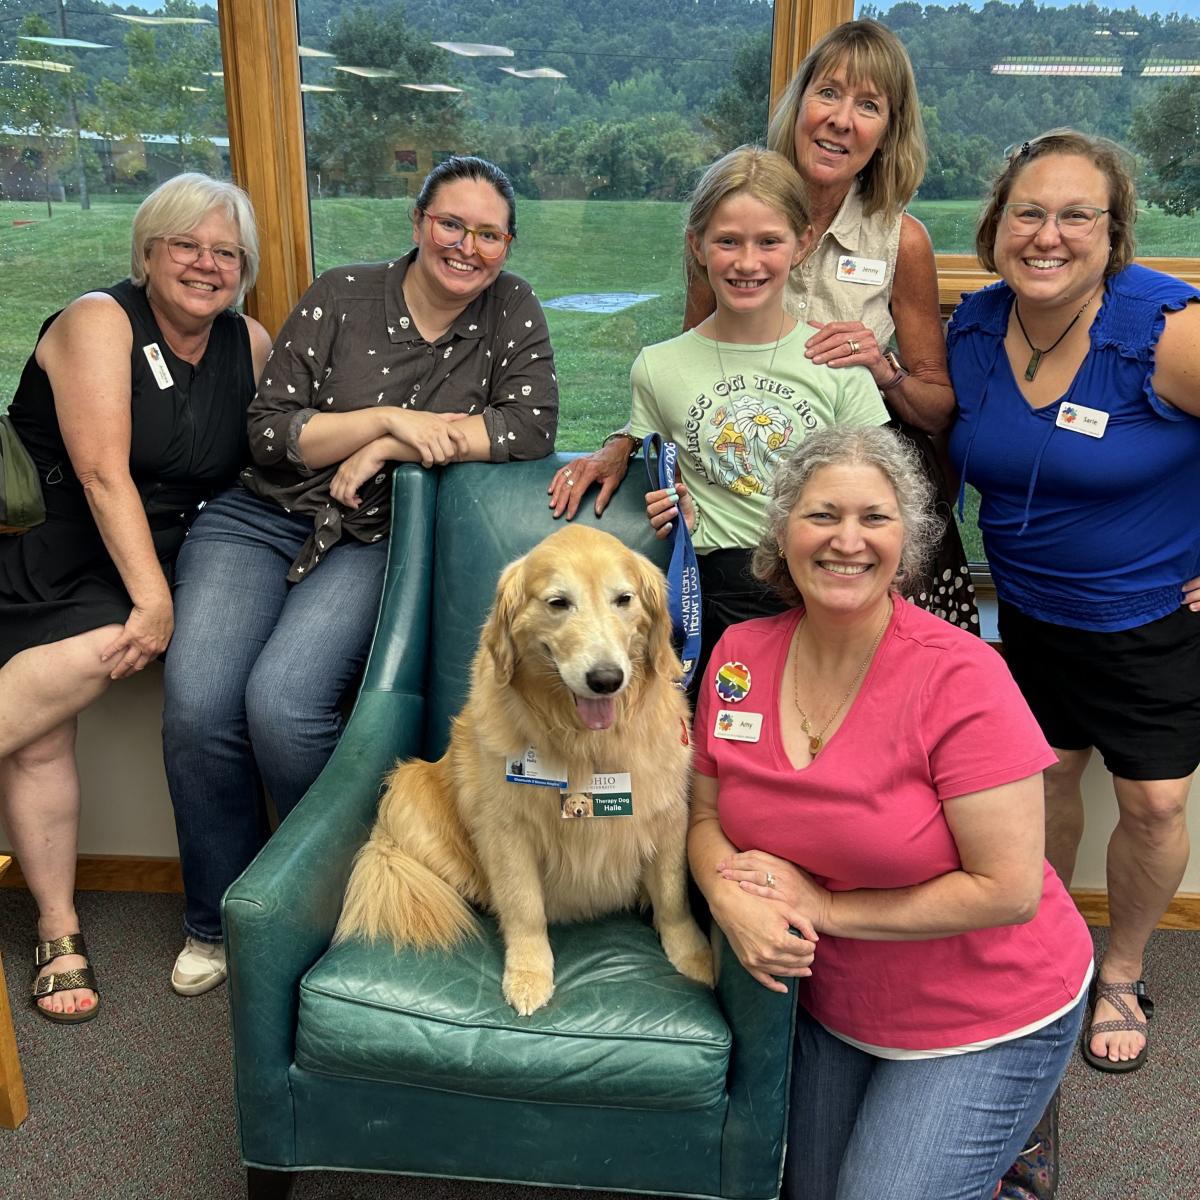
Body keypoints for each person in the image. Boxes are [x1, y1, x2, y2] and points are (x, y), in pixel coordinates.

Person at [162, 155, 558, 996]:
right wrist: (387, 418)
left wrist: (384, 447)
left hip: (373, 534)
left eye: (488, 234)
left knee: (284, 703)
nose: (467, 246)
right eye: (451, 223)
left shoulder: (511, 308)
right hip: (260, 518)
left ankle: (320, 897)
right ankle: (219, 917)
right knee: (200, 705)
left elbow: (527, 427)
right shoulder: (342, 293)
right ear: (418, 223)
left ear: (506, 245)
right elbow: (271, 434)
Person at [688, 425, 1093, 1198]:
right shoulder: (738, 655)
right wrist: (724, 892)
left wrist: (823, 908)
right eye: (822, 515)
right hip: (839, 1001)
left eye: (875, 518)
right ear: (782, 533)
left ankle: (1015, 1152)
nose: (848, 540)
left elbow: (1008, 890)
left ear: (906, 540)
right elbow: (704, 814)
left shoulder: (962, 677)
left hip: (988, 1002)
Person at [551, 20, 977, 633]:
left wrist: (882, 371)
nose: (840, 119)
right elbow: (689, 367)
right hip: (741, 519)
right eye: (828, 93)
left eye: (868, 106)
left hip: (859, 483)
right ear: (799, 101)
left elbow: (936, 410)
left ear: (888, 131)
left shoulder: (900, 240)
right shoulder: (734, 208)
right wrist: (629, 444)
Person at [948, 130, 1200, 1073]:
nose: (1047, 235)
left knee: (1154, 804)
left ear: (1113, 232)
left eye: (1075, 215)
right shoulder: (975, 329)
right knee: (1046, 779)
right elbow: (946, 428)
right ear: (998, 225)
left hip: (1150, 622)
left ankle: (1123, 971)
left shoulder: (1163, 329)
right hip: (1027, 615)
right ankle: (1041, 946)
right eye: (1028, 213)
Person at [0, 173, 270, 1021]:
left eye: (225, 252)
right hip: (59, 549)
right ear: (148, 252)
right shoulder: (98, 320)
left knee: (42, 734)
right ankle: (59, 926)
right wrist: (154, 605)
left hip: (170, 557)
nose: (205, 264)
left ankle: (55, 929)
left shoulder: (251, 345)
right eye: (185, 245)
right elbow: (100, 472)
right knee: (43, 732)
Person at [566, 146, 889, 687]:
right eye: (727, 241)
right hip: (714, 601)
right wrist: (627, 458)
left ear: (802, 243)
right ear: (697, 245)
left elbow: (883, 494)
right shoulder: (659, 366)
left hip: (821, 591)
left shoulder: (836, 364)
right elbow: (643, 446)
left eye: (769, 241)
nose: (747, 262)